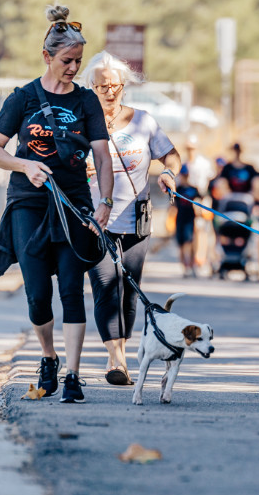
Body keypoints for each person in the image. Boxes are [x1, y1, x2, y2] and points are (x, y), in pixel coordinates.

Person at [0, 4, 113, 404]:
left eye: (78, 62)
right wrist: (25, 165)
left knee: (71, 287)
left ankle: (72, 374)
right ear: (47, 57)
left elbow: (102, 158)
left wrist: (103, 202)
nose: (73, 68)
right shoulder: (22, 98)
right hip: (28, 204)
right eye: (67, 61)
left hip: (74, 204)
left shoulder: (86, 102)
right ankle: (49, 357)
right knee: (37, 294)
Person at [79, 50, 181, 386]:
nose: (109, 91)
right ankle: (116, 358)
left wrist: (168, 173)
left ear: (125, 85)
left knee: (129, 289)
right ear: (90, 86)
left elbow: (171, 155)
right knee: (105, 287)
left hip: (136, 220)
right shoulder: (81, 122)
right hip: (95, 221)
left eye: (115, 85)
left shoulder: (143, 121)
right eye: (101, 86)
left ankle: (121, 349)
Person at [183, 135, 214, 272]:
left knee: (203, 230)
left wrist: (205, 200)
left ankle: (201, 259)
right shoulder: (184, 163)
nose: (191, 151)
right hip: (188, 201)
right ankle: (190, 262)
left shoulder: (203, 163)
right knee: (190, 232)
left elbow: (209, 182)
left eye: (193, 148)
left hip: (201, 199)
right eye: (189, 148)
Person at [170, 165, 201, 277]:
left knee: (190, 242)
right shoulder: (178, 189)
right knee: (181, 243)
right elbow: (172, 206)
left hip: (191, 219)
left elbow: (201, 201)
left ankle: (191, 265)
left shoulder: (194, 189)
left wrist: (201, 214)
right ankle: (185, 266)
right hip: (180, 218)